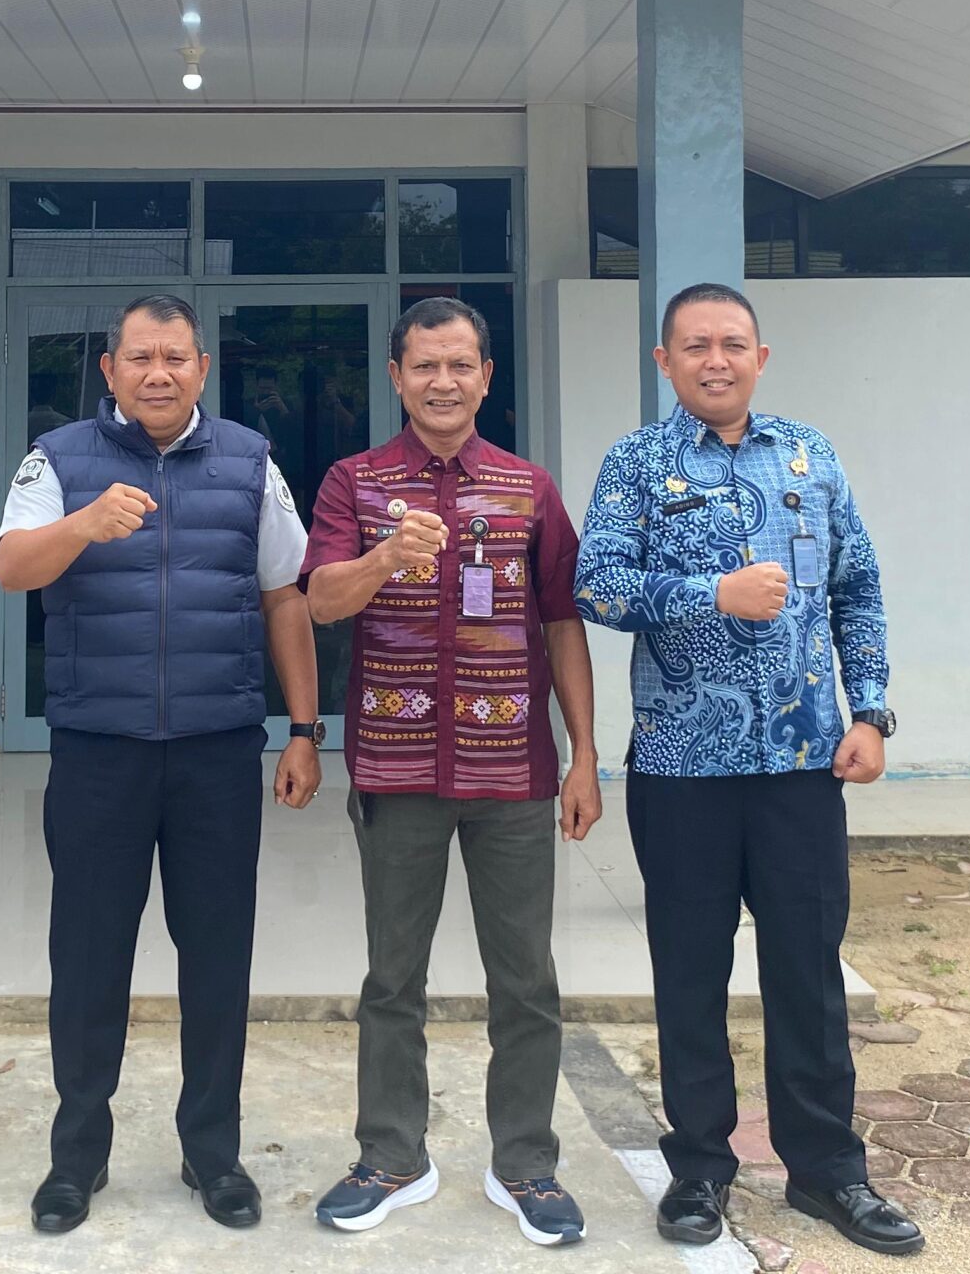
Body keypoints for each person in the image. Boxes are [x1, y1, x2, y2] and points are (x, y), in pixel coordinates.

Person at [574, 284, 921, 1259]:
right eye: (695, 346)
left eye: (732, 344)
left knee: (806, 970)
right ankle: (698, 1168)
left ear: (760, 357)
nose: (715, 360)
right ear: (665, 362)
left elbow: (857, 585)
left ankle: (826, 1170)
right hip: (681, 766)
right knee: (689, 972)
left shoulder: (810, 456)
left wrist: (871, 711)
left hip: (803, 761)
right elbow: (595, 585)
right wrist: (711, 592)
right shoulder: (636, 463)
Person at [0, 291, 323, 1235]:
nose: (159, 373)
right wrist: (82, 525)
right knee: (87, 957)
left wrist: (304, 727)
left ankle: (213, 1152)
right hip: (100, 750)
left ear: (202, 368)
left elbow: (285, 594)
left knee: (217, 956)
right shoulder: (57, 458)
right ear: (110, 369)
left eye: (176, 356)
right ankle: (76, 1157)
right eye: (140, 357)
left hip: (218, 750)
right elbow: (11, 568)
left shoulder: (250, 461)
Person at [300, 296, 602, 1248]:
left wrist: (586, 755)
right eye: (425, 366)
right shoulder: (355, 482)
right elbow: (320, 601)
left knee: (527, 979)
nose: (443, 382)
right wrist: (388, 554)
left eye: (460, 364)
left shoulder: (529, 488)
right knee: (393, 977)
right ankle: (392, 1156)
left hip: (513, 773)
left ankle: (527, 1165)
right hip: (397, 772)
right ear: (396, 377)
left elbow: (562, 622)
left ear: (486, 377)